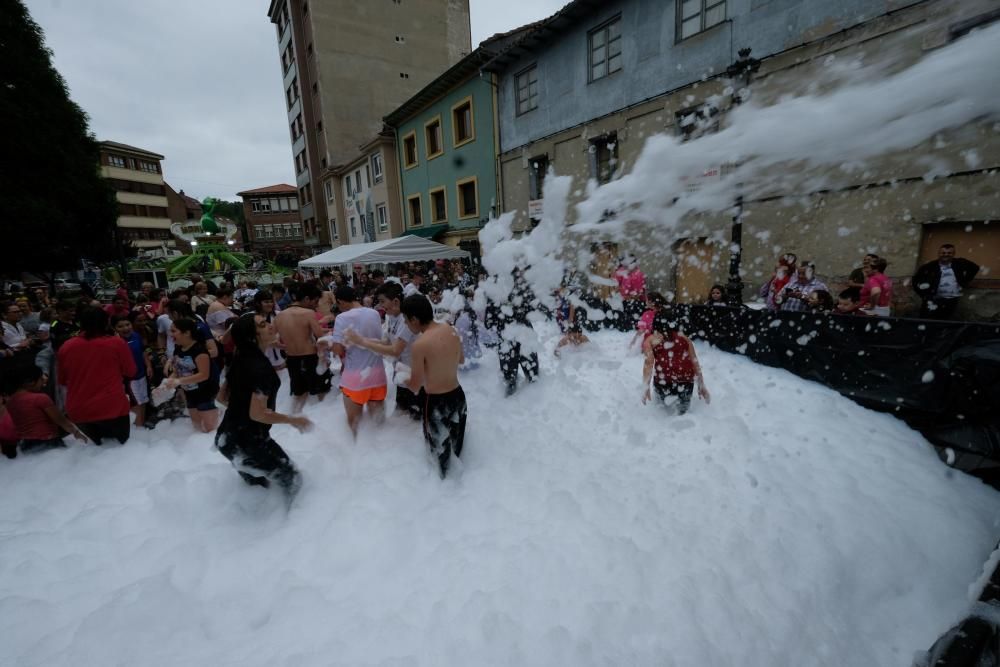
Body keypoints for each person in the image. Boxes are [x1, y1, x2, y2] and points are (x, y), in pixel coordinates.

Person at [215, 314, 311, 502]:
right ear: (253, 336)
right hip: (249, 441)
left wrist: (242, 410)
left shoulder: (240, 356)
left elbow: (221, 398)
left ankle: (261, 523)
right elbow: (258, 414)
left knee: (260, 489)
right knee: (293, 481)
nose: (270, 325)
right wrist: (293, 420)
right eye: (263, 324)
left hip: (225, 439)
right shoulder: (261, 369)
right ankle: (292, 524)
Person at [401, 294, 466, 478]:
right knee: (457, 451)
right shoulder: (451, 330)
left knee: (439, 457)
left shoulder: (420, 344)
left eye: (406, 320)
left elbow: (414, 386)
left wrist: (402, 377)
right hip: (458, 397)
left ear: (414, 319)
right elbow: (461, 360)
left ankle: (441, 493)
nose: (406, 324)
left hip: (436, 403)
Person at [342, 282, 422, 420]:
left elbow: (395, 350)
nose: (380, 306)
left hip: (415, 378)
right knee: (402, 419)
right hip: (402, 377)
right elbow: (386, 342)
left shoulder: (406, 320)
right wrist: (359, 341)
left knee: (414, 422)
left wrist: (362, 342)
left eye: (382, 301)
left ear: (396, 301)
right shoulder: (392, 317)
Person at [57, 307, 136, 445]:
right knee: (120, 450)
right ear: (106, 323)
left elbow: (62, 380)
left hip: (79, 410)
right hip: (112, 407)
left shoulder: (66, 347)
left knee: (99, 450)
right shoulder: (116, 343)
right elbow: (131, 371)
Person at [326, 285, 387, 435]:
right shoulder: (374, 313)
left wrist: (329, 343)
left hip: (355, 378)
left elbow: (339, 350)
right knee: (378, 427)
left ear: (341, 301)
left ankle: (356, 455)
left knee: (355, 428)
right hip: (378, 375)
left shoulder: (342, 318)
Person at [5, 363, 87, 453]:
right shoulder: (40, 398)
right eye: (41, 379)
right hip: (48, 442)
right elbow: (61, 421)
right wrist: (77, 433)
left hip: (25, 445)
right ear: (30, 382)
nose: (44, 381)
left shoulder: (10, 402)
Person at [274, 282, 330, 413]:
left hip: (292, 359)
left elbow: (273, 339)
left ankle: (294, 422)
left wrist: (283, 346)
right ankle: (319, 423)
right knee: (319, 394)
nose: (316, 305)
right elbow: (320, 336)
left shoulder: (280, 315)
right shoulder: (308, 313)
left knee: (298, 395)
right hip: (310, 358)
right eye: (315, 301)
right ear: (306, 299)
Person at [642, 311, 709, 415]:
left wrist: (645, 387)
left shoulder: (651, 340)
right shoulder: (685, 338)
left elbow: (648, 364)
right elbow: (695, 362)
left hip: (663, 380)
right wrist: (701, 384)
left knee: (662, 411)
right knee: (683, 413)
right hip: (685, 381)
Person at [167, 318, 220, 433]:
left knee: (210, 429)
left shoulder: (199, 350)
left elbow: (204, 375)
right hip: (190, 391)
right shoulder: (178, 349)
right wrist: (166, 383)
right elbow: (177, 371)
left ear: (187, 333)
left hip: (205, 391)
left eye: (174, 331)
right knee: (197, 427)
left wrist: (179, 381)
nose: (171, 334)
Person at [495, 267, 540, 397]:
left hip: (508, 334)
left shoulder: (497, 291)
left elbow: (489, 321)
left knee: (511, 379)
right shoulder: (524, 289)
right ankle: (532, 399)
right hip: (520, 332)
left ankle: (514, 401)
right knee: (531, 374)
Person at [913, 244, 980, 320]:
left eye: (949, 253)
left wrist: (965, 280)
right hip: (933, 299)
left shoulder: (959, 263)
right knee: (927, 320)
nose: (946, 255)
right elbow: (916, 280)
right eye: (943, 253)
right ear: (939, 253)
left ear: (953, 254)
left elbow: (975, 267)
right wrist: (924, 295)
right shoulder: (930, 266)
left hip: (951, 300)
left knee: (944, 321)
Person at [113, 315, 152, 428]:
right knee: (135, 403)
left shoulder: (136, 336)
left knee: (144, 399)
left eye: (127, 324)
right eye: (120, 326)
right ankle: (138, 428)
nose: (125, 328)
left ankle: (142, 425)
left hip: (142, 374)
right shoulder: (115, 342)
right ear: (114, 328)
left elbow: (143, 352)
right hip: (129, 379)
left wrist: (148, 366)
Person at [253, 291, 286, 370]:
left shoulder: (279, 314)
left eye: (271, 301)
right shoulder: (251, 317)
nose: (270, 304)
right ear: (258, 303)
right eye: (266, 302)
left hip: (281, 356)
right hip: (262, 357)